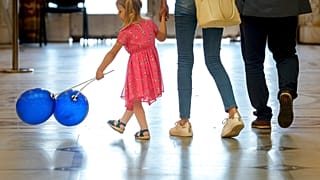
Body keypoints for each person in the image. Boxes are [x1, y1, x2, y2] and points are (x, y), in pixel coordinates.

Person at [160, 0, 244, 138]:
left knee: (184, 60)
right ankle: (233, 113)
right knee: (213, 59)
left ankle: (184, 123)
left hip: (185, 3)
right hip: (212, 3)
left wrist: (163, 3)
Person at [96, 0, 167, 140]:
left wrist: (100, 69)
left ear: (131, 12)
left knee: (135, 100)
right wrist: (163, 19)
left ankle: (144, 130)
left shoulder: (126, 32)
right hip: (151, 69)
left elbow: (112, 53)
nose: (118, 14)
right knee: (134, 96)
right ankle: (122, 123)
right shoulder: (149, 24)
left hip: (137, 70)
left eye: (120, 11)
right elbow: (162, 37)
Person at [235, 0, 312, 129]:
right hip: (286, 7)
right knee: (286, 55)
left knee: (254, 62)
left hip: (252, 8)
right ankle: (286, 91)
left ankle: (262, 116)